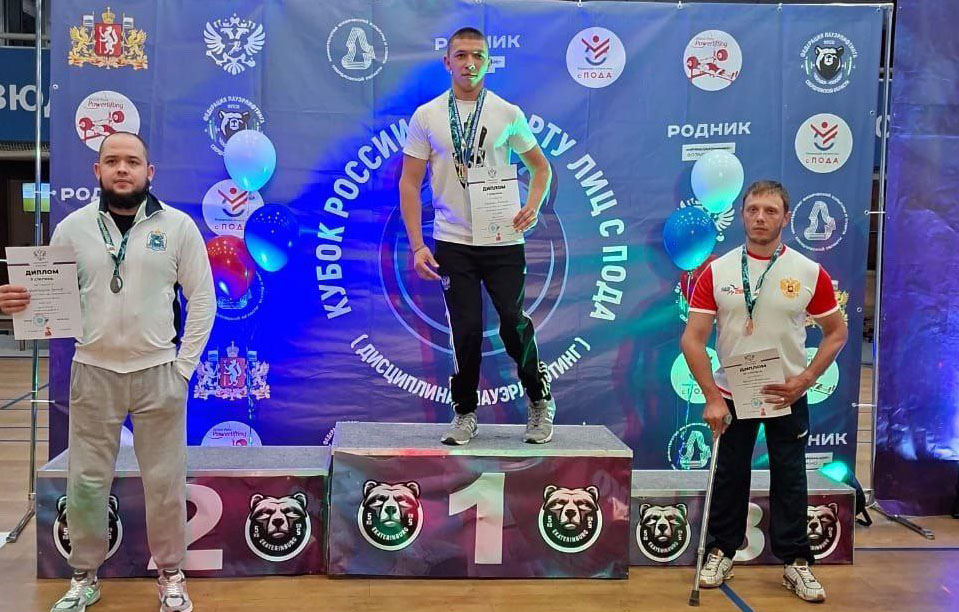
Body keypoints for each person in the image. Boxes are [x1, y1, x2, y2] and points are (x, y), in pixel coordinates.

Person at [0, 132, 216, 612]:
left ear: (148, 172)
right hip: (93, 371)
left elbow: (202, 299)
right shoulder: (72, 229)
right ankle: (83, 576)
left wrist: (183, 368)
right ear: (97, 171)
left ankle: (171, 574)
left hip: (158, 372)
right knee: (86, 482)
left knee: (165, 481)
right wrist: (21, 303)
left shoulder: (177, 227)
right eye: (112, 160)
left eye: (132, 161)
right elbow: (49, 298)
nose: (122, 168)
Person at [681, 180, 848, 603]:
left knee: (790, 476)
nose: (760, 217)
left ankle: (796, 562)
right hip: (731, 392)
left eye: (770, 211)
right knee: (729, 473)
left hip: (786, 393)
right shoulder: (717, 271)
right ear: (742, 215)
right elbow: (692, 339)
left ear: (786, 218)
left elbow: (837, 333)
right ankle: (721, 551)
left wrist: (805, 379)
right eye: (753, 209)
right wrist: (712, 397)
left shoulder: (808, 271)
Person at [399, 26, 555, 445]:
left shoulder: (507, 112)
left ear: (489, 62)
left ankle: (539, 400)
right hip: (453, 242)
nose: (470, 64)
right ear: (447, 61)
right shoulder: (427, 116)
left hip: (502, 240)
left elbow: (541, 167)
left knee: (512, 325)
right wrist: (418, 245)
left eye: (478, 56)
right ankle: (465, 412)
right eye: (462, 56)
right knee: (465, 330)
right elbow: (410, 183)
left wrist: (532, 205)